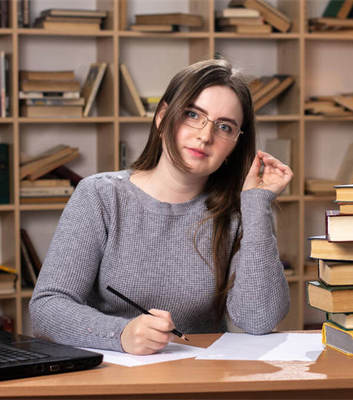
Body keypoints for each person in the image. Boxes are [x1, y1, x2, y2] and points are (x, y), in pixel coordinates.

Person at [30, 58, 293, 355]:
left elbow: (258, 320)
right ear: (163, 117)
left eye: (224, 126)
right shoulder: (100, 195)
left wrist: (257, 204)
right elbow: (46, 309)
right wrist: (121, 334)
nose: (205, 136)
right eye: (193, 114)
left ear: (235, 144)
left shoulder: (240, 212)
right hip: (111, 377)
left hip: (202, 380)